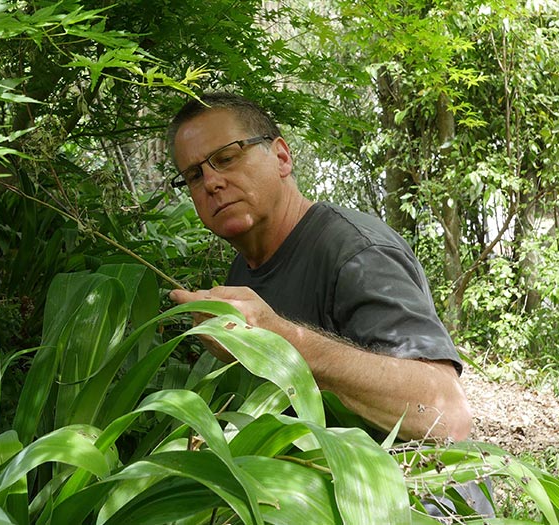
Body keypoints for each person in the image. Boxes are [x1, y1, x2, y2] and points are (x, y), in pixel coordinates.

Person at [166, 91, 472, 443]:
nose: (211, 183)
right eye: (193, 175)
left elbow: (447, 416)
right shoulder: (243, 269)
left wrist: (276, 337)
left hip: (412, 490)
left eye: (227, 157)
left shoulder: (357, 252)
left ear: (281, 157)